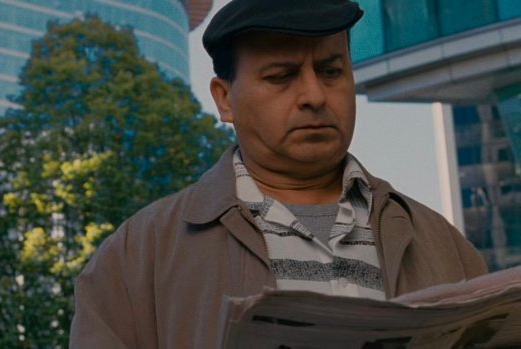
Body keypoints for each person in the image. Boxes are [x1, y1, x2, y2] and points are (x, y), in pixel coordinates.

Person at [69, 0, 488, 348]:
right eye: (282, 76)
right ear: (224, 99)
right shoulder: (137, 257)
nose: (314, 96)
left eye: (331, 71)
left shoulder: (442, 245)